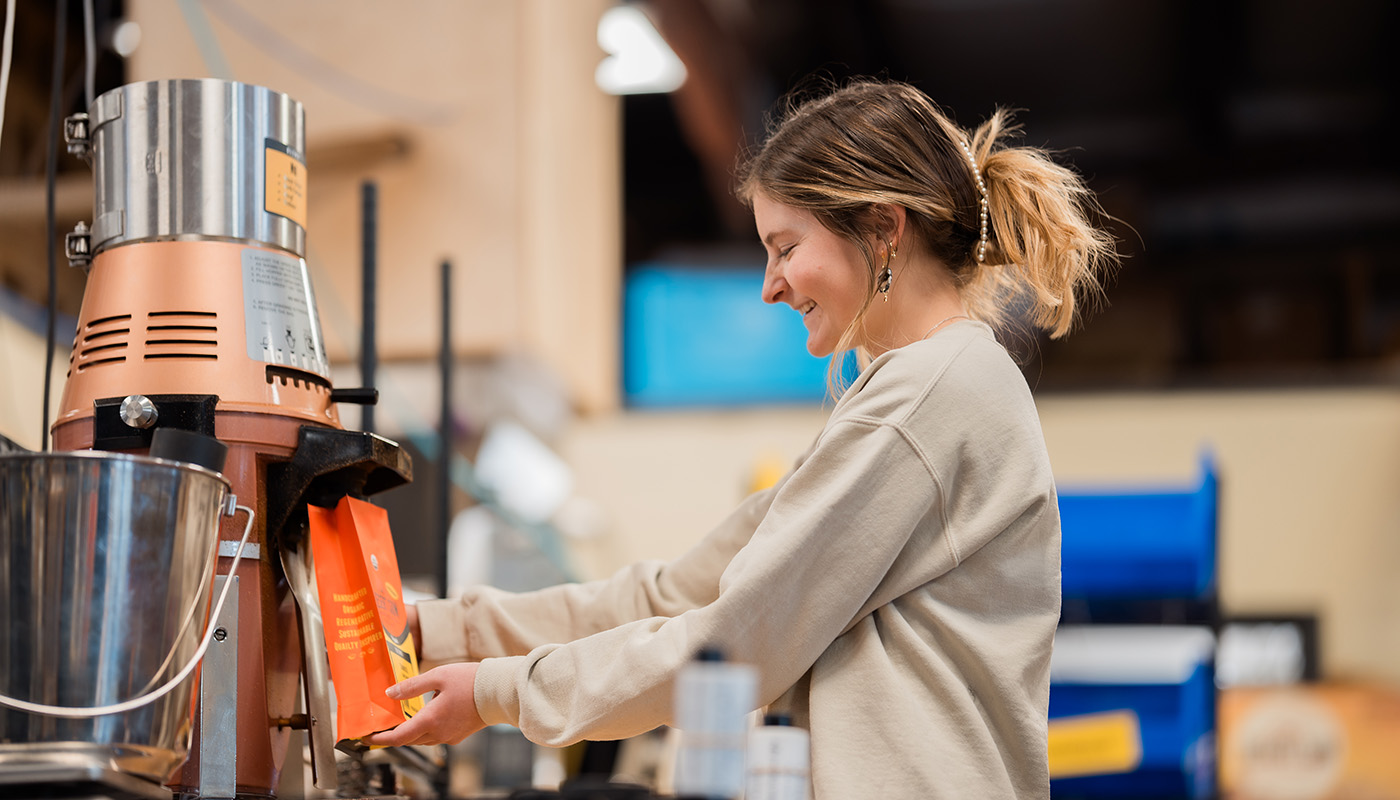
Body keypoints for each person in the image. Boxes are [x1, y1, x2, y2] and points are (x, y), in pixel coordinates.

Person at [364, 78, 1117, 799]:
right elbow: (673, 594)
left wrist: (495, 691)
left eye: (786, 247)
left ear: (885, 226)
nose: (770, 285)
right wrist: (438, 628)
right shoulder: (910, 396)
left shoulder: (932, 395)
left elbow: (734, 645)